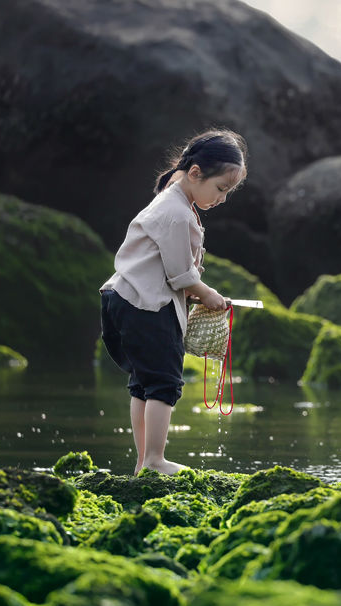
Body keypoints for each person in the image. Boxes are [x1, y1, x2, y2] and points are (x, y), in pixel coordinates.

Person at [99, 129, 247, 475]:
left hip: (122, 297)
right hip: (146, 305)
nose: (222, 199)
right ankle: (154, 458)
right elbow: (181, 276)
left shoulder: (172, 201)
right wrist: (210, 295)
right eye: (221, 189)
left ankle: (143, 462)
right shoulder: (176, 213)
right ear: (195, 173)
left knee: (143, 383)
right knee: (164, 382)